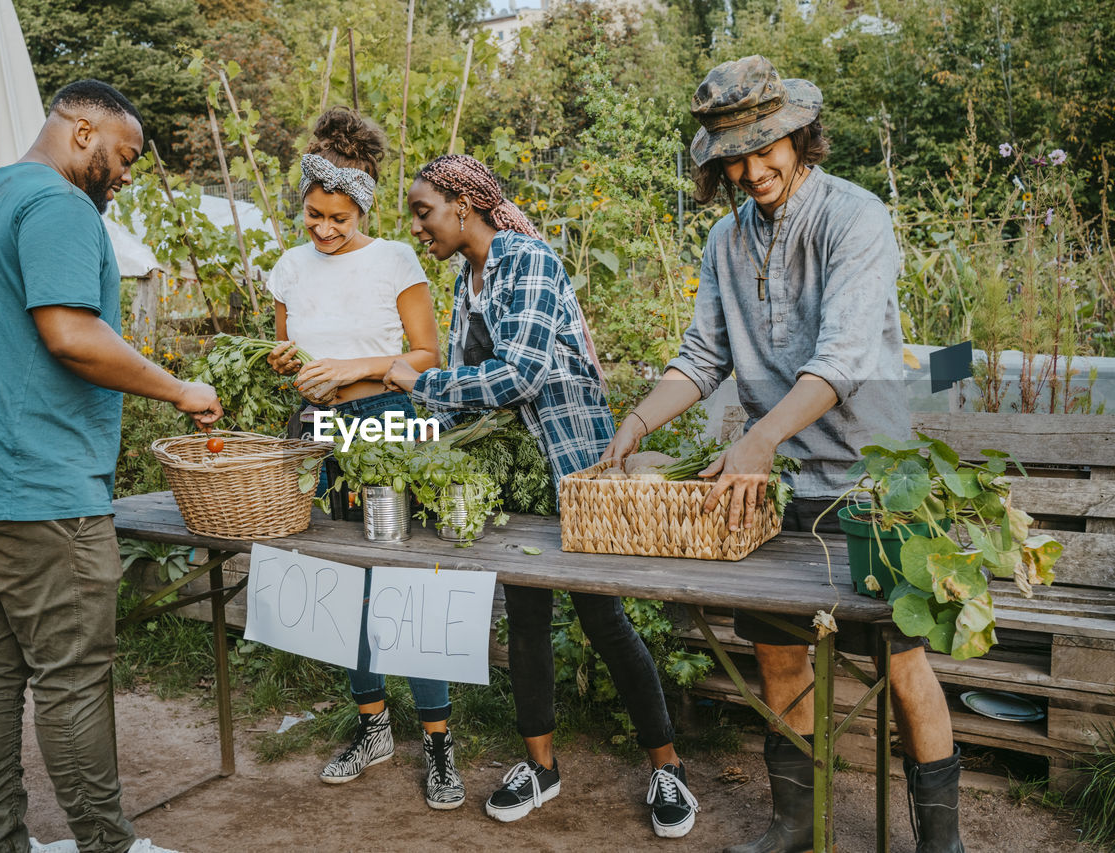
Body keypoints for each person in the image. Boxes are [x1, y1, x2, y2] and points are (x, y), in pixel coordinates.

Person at [602, 56, 965, 853]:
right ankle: (795, 823)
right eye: (734, 154)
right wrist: (636, 421)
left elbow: (838, 356)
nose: (753, 167)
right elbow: (702, 355)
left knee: (902, 664)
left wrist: (757, 437)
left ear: (800, 136)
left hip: (877, 485)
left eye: (767, 146)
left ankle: (943, 842)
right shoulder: (725, 243)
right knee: (777, 652)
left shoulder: (856, 218)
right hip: (777, 488)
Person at [0, 80, 223, 853]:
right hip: (37, 491)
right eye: (124, 155)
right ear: (83, 132)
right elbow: (71, 334)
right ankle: (108, 845)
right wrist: (180, 387)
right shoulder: (58, 207)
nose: (125, 174)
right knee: (72, 677)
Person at [383, 154, 700, 839]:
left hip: (568, 466)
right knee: (524, 618)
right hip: (512, 481)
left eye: (423, 210)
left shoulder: (525, 260)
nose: (418, 226)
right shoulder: (468, 280)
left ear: (463, 204)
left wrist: (421, 387)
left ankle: (667, 765)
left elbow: (520, 375)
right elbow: (474, 394)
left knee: (603, 619)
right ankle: (540, 767)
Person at [262, 107, 459, 809]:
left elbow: (427, 356)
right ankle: (372, 722)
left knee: (406, 581)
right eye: (314, 214)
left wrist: (351, 368)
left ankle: (437, 738)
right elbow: (288, 360)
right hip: (318, 431)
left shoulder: (396, 260)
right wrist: (296, 366)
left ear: (363, 207)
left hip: (388, 426)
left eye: (338, 218)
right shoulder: (288, 268)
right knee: (343, 585)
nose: (322, 229)